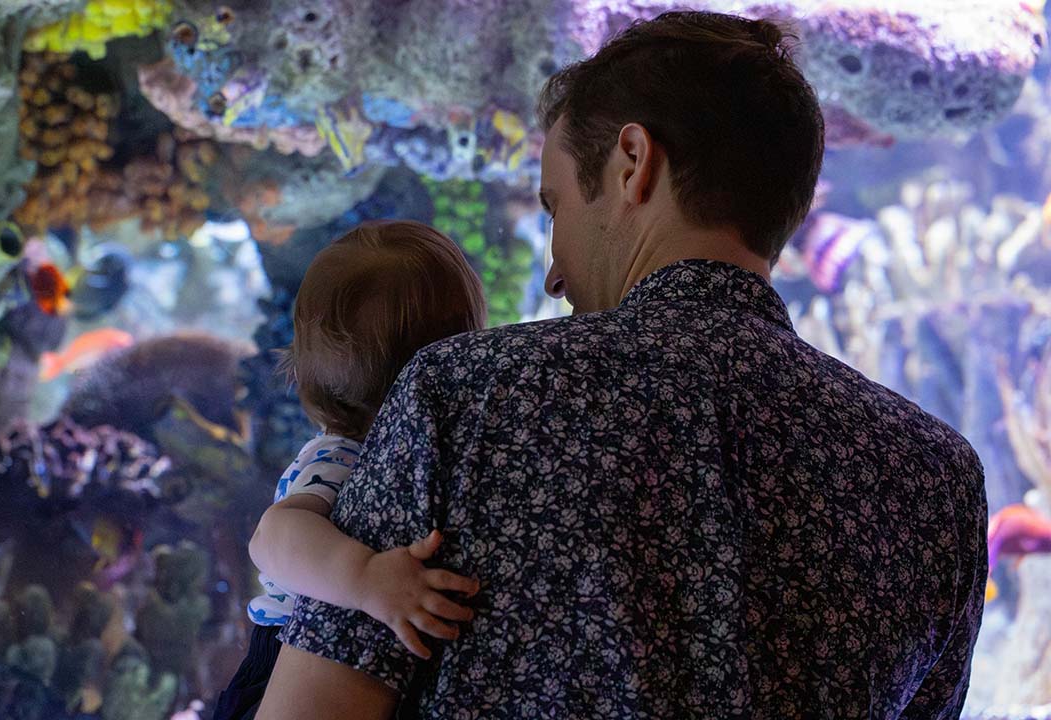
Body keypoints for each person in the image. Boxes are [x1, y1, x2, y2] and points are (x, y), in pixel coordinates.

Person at [258, 11, 988, 720]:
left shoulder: (465, 396)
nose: (553, 274)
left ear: (633, 163)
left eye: (555, 209)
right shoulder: (938, 481)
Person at [213, 220, 487, 720]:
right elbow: (271, 538)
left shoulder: (410, 458)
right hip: (279, 669)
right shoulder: (340, 459)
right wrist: (364, 577)